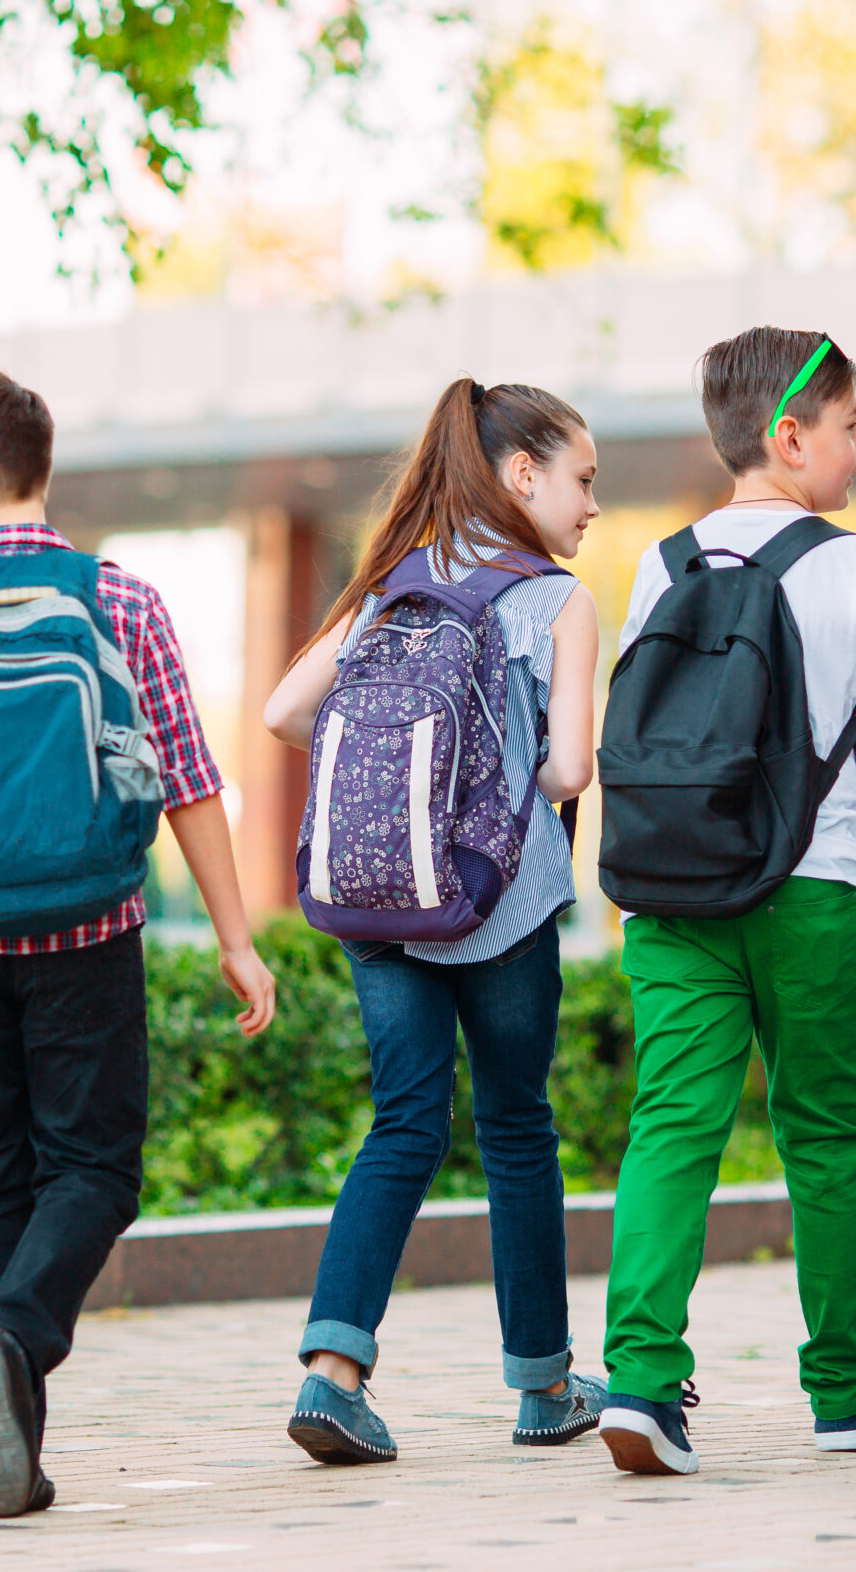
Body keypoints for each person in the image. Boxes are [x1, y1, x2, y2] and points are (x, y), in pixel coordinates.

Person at [0, 369, 277, 1518]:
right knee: (93, 1168)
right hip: (91, 929)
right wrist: (236, 939)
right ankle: (17, 1344)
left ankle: (9, 1456)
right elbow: (190, 784)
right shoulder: (118, 600)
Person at [595, 326, 856, 1477]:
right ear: (790, 437)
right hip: (816, 886)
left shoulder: (662, 562)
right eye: (851, 427)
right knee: (827, 1135)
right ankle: (845, 1387)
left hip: (672, 888)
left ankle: (642, 1382)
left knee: (671, 1128)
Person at [259, 379, 610, 1464]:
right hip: (498, 906)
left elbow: (281, 712)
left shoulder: (387, 589)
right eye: (581, 479)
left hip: (375, 901)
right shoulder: (556, 599)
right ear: (521, 476)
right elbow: (566, 767)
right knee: (514, 1128)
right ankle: (544, 1386)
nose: (591, 504)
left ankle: (334, 1372)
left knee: (402, 1124)